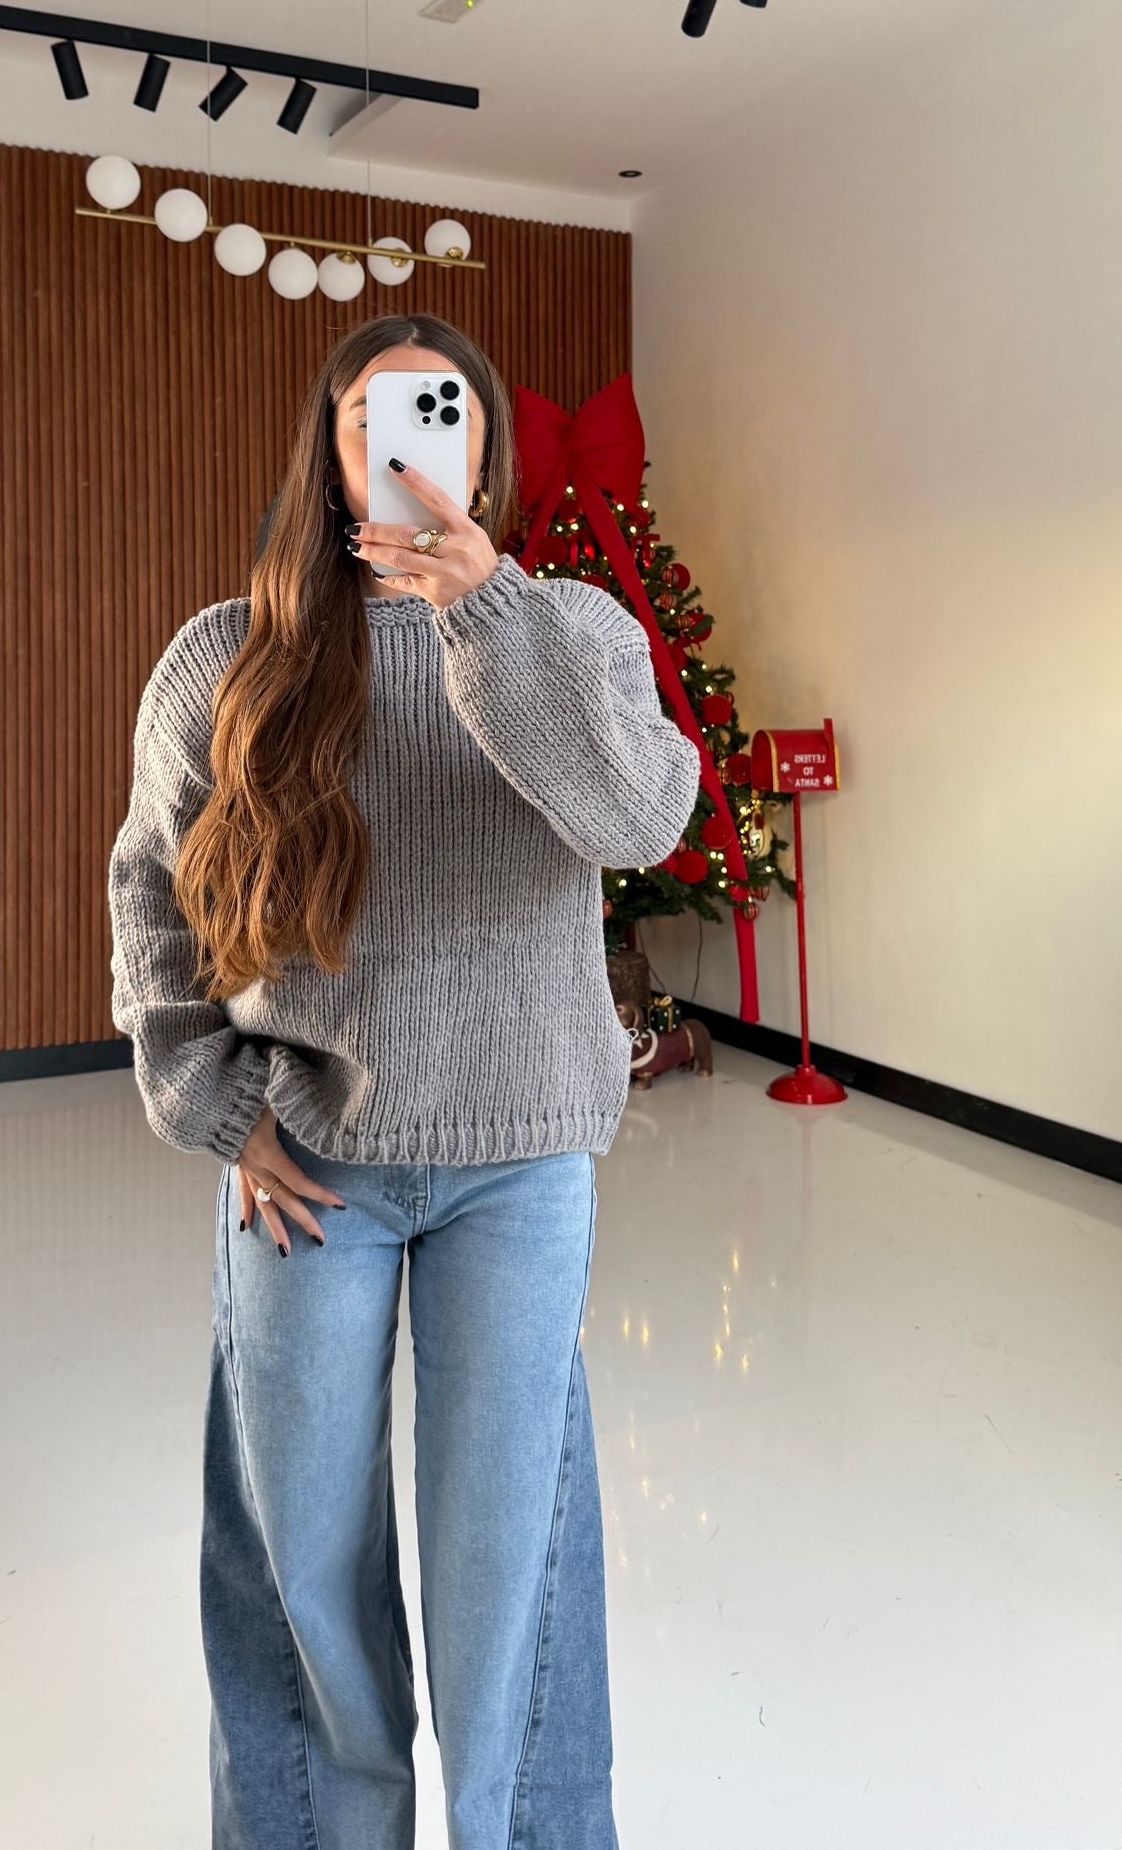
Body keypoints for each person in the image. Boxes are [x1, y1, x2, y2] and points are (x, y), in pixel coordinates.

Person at [107, 311, 701, 1849]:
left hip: (521, 1166)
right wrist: (210, 1098)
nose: (407, 446)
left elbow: (639, 818)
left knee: (511, 1563)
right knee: (297, 1550)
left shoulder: (571, 631)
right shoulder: (228, 655)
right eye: (372, 419)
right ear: (329, 451)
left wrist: (486, 611)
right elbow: (152, 888)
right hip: (308, 1158)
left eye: (441, 414)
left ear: (483, 448)